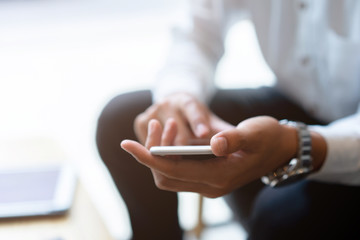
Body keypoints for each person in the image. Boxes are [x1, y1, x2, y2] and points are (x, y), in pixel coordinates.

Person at [96, 1, 360, 239]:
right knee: (120, 121)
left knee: (280, 216)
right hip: (296, 100)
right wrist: (180, 97)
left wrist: (298, 144)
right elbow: (198, 31)